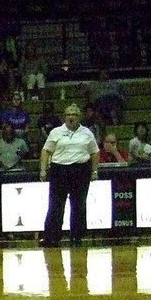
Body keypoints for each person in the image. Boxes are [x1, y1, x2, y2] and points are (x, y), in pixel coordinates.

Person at [39, 104, 100, 247]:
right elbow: (46, 151)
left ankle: (77, 237)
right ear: (64, 117)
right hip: (59, 170)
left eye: (73, 114)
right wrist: (43, 169)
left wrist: (94, 171)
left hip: (80, 170)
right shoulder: (56, 132)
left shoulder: (87, 133)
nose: (71, 117)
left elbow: (95, 152)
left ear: (79, 117)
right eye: (68, 114)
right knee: (55, 205)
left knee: (79, 204)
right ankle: (52, 237)